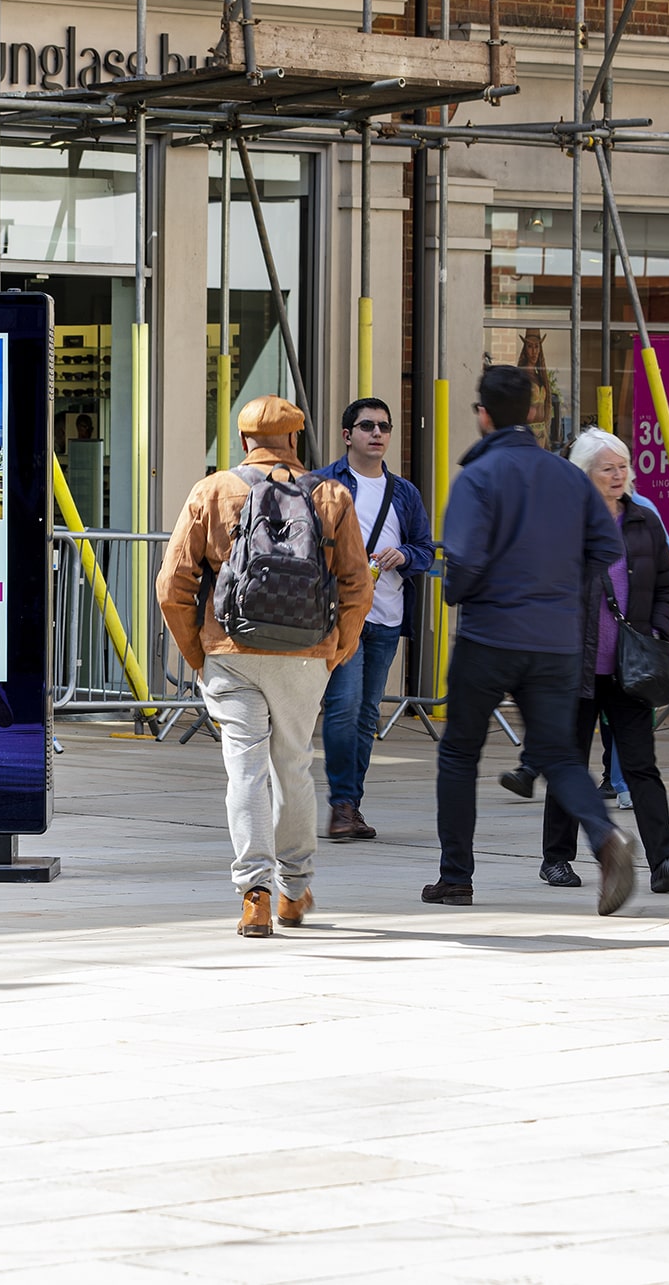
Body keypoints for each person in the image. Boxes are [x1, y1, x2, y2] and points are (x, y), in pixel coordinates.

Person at [157, 395, 372, 937]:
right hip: (304, 657)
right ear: (296, 440)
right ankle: (293, 891)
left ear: (244, 440)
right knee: (293, 767)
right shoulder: (330, 495)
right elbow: (356, 585)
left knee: (245, 771)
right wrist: (336, 651)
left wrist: (198, 654)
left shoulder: (213, 491)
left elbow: (172, 586)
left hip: (231, 654)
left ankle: (254, 894)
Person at [431, 366, 638, 915]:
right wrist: (561, 588)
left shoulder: (478, 476)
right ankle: (603, 835)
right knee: (556, 753)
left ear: (483, 414)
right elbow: (606, 548)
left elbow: (467, 560)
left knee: (458, 754)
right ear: (531, 411)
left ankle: (456, 878)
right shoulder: (567, 476)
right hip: (556, 639)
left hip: (490, 634)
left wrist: (457, 590)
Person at [538, 429, 669, 893]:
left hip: (630, 669)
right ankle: (557, 858)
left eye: (623, 466)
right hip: (576, 666)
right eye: (608, 468)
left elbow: (668, 585)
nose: (619, 475)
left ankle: (664, 860)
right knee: (569, 761)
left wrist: (655, 631)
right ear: (584, 475)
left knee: (641, 765)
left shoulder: (643, 521)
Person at [315, 396, 433, 839]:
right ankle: (341, 805)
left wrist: (404, 554)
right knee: (343, 709)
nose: (378, 434)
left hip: (386, 613)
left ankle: (351, 804)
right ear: (348, 436)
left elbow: (425, 547)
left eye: (384, 426)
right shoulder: (324, 484)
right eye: (367, 427)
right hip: (340, 616)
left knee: (366, 715)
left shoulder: (404, 493)